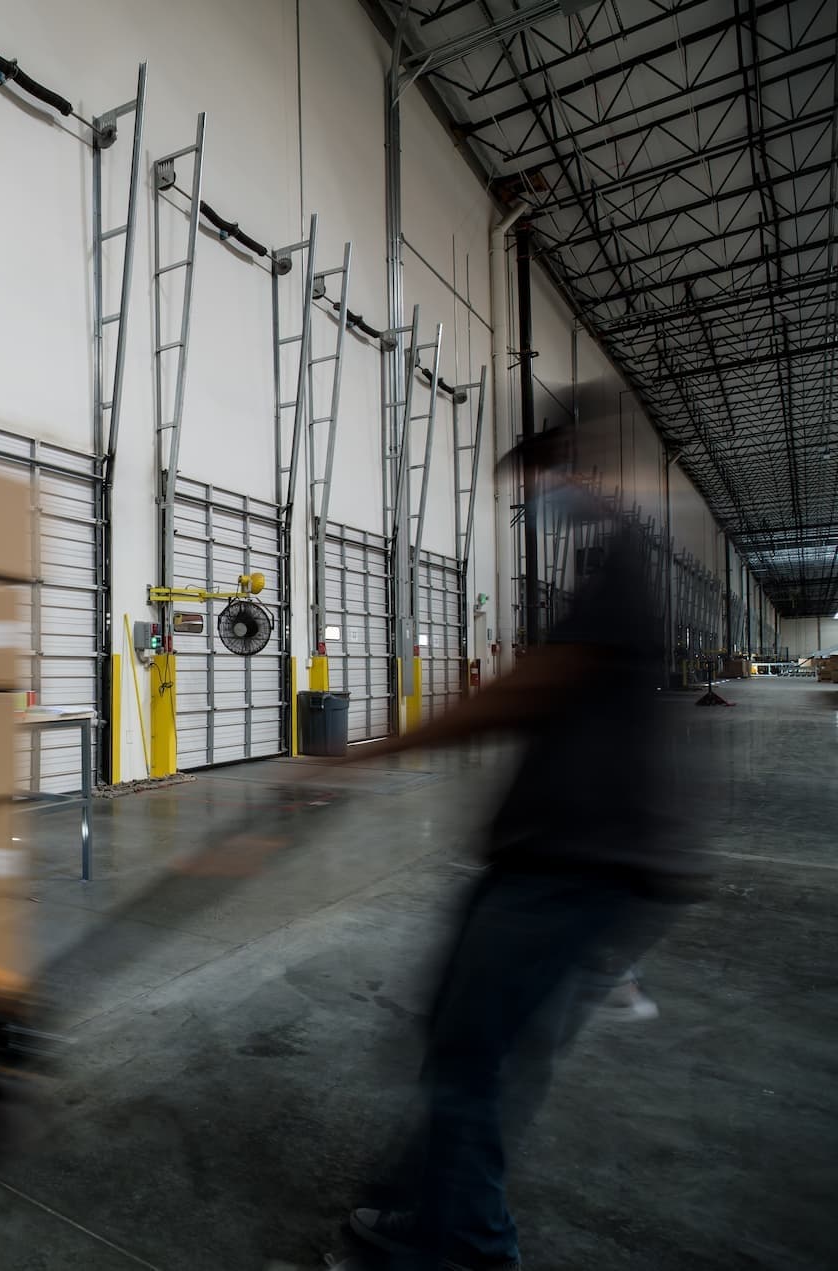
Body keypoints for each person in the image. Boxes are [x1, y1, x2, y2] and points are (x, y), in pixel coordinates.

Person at [339, 427, 703, 1271]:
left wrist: (371, 752)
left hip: (574, 867)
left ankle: (464, 1243)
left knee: (475, 1056)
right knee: (468, 1042)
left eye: (536, 482)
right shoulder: (610, 567)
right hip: (556, 859)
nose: (532, 503)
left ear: (577, 470)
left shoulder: (620, 565)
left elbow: (524, 691)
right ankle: (428, 1206)